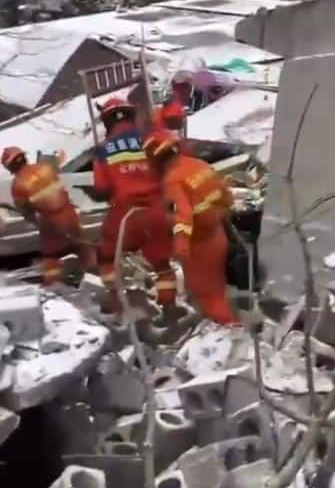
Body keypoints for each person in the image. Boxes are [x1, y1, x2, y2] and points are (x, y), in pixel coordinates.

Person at [143, 128, 239, 325]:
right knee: (216, 289)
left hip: (200, 246)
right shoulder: (198, 165)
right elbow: (225, 194)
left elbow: (182, 214)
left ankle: (230, 332)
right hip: (217, 235)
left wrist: (181, 244)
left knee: (208, 296)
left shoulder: (173, 180)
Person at [92, 97, 177, 315]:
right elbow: (172, 168)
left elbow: (102, 189)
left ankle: (116, 301)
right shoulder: (152, 139)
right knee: (162, 264)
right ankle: (169, 310)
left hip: (125, 215)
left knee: (106, 255)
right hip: (157, 211)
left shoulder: (102, 151)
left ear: (107, 122)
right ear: (131, 115)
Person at [2, 147, 95, 285]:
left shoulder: (18, 185)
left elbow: (26, 211)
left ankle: (53, 285)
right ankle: (96, 273)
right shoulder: (45, 168)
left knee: (51, 255)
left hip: (51, 222)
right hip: (70, 215)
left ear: (9, 166)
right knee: (81, 246)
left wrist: (35, 222)